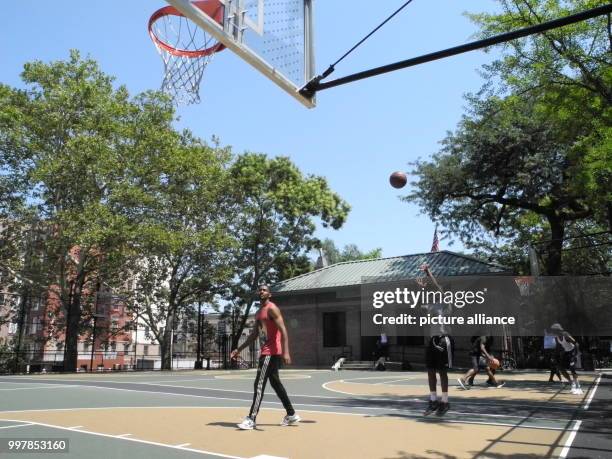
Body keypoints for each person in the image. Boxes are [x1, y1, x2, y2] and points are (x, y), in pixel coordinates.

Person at [231, 284, 300, 430]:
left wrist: (286, 352)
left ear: (269, 294)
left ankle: (251, 418)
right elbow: (254, 335)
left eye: (264, 290)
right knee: (275, 384)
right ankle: (291, 414)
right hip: (266, 351)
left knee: (259, 384)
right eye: (260, 290)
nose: (261, 291)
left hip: (270, 352)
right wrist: (238, 349)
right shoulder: (258, 313)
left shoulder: (272, 309)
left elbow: (284, 331)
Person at [419, 264, 454, 416]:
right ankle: (433, 401)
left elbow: (437, 286)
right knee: (430, 371)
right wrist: (421, 289)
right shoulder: (432, 306)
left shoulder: (446, 304)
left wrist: (428, 272)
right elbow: (420, 306)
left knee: (442, 372)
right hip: (432, 340)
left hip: (443, 340)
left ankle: (445, 402)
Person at [550, 323, 582, 394]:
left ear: (557, 330)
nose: (553, 333)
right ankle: (572, 383)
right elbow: (558, 348)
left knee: (572, 368)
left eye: (553, 331)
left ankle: (577, 386)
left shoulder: (566, 335)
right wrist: (553, 356)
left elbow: (576, 344)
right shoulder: (556, 338)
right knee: (560, 367)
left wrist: (575, 355)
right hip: (566, 353)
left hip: (573, 351)